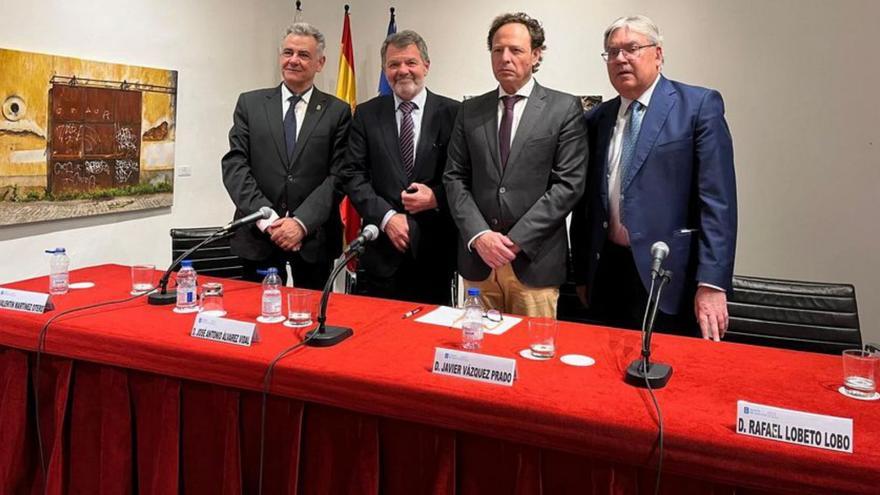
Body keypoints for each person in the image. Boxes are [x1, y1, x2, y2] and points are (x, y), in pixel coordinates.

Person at [570, 15, 737, 340]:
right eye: (612, 52)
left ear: (658, 54)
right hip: (607, 272)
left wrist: (712, 283)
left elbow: (718, 203)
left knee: (667, 376)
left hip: (671, 277)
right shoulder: (598, 118)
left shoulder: (698, 106)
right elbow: (586, 203)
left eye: (631, 48)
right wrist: (581, 273)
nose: (621, 59)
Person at [444, 13, 587, 317]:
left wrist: (515, 241)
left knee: (530, 358)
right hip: (478, 265)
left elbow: (568, 185)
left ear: (536, 55)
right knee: (477, 355)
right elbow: (455, 178)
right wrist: (479, 235)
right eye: (497, 50)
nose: (505, 58)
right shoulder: (470, 110)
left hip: (534, 264)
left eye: (516, 50)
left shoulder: (564, 108)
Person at [221, 23, 351, 289]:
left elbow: (339, 175)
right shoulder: (250, 104)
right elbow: (235, 166)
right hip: (258, 237)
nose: (293, 60)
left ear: (320, 62)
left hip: (314, 238)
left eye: (303, 55)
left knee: (312, 321)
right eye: (288, 52)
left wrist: (301, 223)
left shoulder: (337, 111)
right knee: (257, 318)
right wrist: (268, 220)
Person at [339, 30, 459, 305]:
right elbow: (352, 174)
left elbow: (464, 177)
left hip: (434, 256)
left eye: (411, 62)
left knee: (431, 339)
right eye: (394, 65)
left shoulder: (455, 114)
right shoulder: (367, 114)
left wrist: (436, 198)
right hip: (381, 253)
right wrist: (388, 217)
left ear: (426, 66)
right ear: (385, 70)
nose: (403, 70)